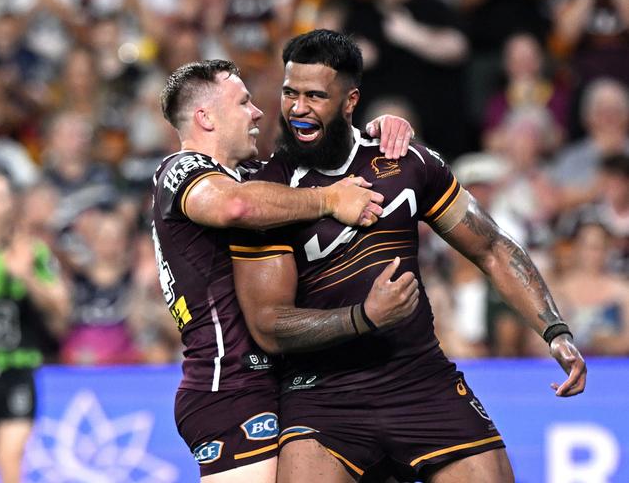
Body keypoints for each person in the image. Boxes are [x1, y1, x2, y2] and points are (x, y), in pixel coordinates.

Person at [230, 29, 587, 483]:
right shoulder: (268, 194)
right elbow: (268, 325)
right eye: (289, 93)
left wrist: (554, 330)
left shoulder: (408, 162)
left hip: (420, 380)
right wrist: (364, 316)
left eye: (315, 95)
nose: (298, 108)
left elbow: (493, 247)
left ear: (350, 100)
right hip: (322, 394)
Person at [151, 59, 416, 482]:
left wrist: (368, 133)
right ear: (205, 117)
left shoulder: (253, 177)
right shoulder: (180, 172)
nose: (258, 112)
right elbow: (236, 206)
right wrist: (328, 200)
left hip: (283, 382)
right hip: (229, 385)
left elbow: (324, 170)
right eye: (243, 102)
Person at [0, 168, 70, 483]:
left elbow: (61, 306)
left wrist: (27, 277)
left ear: (11, 203)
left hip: (16, 372)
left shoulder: (32, 251)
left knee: (10, 459)